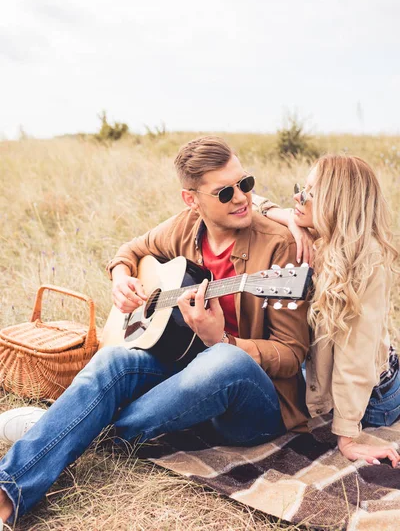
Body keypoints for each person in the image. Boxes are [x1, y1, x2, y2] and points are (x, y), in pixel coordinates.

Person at [0, 136, 310, 525]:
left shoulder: (279, 248)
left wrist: (221, 339)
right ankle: (8, 492)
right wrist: (121, 279)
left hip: (254, 406)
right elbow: (128, 250)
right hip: (185, 376)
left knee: (223, 360)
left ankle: (77, 430)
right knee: (114, 358)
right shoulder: (185, 227)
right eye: (225, 191)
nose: (241, 198)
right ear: (191, 200)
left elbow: (291, 354)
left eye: (245, 183)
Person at [261, 154, 400, 467]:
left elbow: (357, 356)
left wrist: (348, 437)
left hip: (374, 398)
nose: (298, 197)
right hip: (323, 375)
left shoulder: (367, 262)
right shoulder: (319, 237)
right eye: (302, 187)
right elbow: (249, 201)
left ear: (338, 205)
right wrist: (286, 218)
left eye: (312, 193)